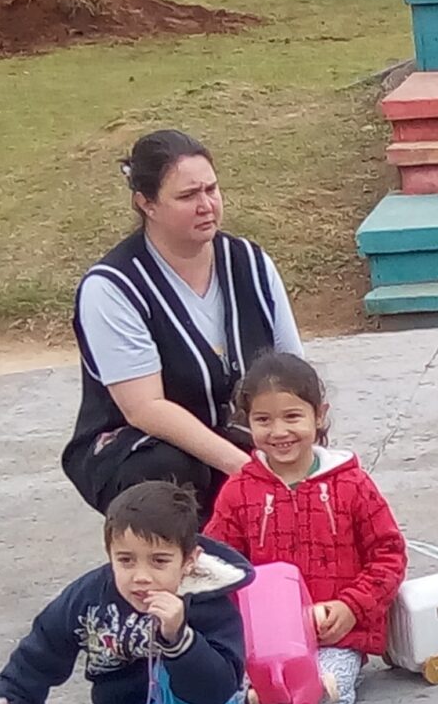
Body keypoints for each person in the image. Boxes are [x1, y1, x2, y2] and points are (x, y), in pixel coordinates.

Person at [64, 129, 305, 520]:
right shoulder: (112, 287)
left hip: (239, 435)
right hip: (142, 450)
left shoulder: (251, 263)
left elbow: (293, 374)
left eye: (211, 189)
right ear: (146, 204)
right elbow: (145, 409)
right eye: (188, 196)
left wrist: (301, 455)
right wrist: (250, 472)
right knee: (167, 469)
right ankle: (169, 569)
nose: (206, 205)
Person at [0, 480, 250, 704]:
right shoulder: (89, 599)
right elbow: (38, 654)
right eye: (126, 560)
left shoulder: (206, 599)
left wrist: (179, 638)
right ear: (109, 555)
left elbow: (217, 685)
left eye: (159, 561)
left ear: (189, 560)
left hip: (200, 701)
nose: (141, 576)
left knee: (184, 677)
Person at [202, 353, 406, 704]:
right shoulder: (239, 491)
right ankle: (260, 699)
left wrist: (351, 607)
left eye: (292, 417)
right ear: (247, 421)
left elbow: (389, 554)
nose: (279, 432)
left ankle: (294, 696)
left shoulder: (352, 484)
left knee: (330, 691)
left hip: (333, 639)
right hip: (260, 644)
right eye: (263, 420)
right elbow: (216, 564)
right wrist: (242, 626)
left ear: (320, 414)